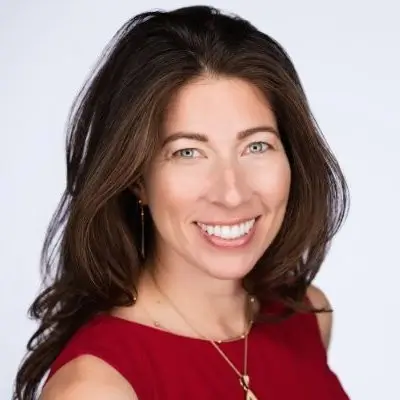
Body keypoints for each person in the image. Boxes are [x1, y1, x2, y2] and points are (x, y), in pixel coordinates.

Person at [13, 5, 350, 400]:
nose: (232, 193)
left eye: (256, 146)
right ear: (137, 178)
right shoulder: (97, 388)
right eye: (188, 152)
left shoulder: (308, 314)